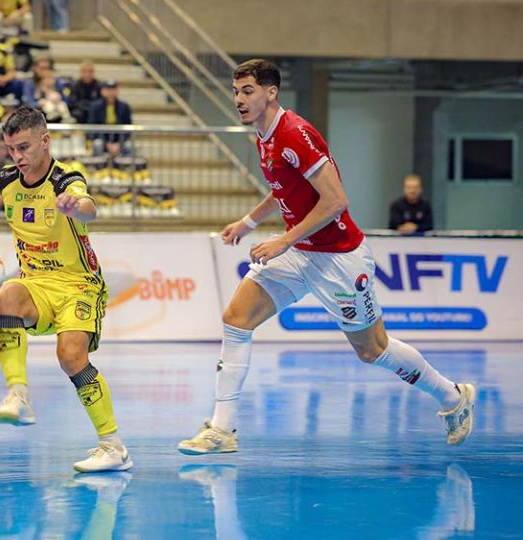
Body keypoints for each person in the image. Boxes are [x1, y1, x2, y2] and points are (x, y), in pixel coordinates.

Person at [177, 59, 474, 455]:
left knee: (373, 350)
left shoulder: (295, 133)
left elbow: (336, 201)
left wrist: (284, 241)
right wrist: (248, 222)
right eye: (236, 92)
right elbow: (282, 189)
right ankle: (222, 430)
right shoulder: (264, 136)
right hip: (301, 252)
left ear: (271, 92)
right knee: (236, 319)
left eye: (247, 91)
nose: (239, 100)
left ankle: (453, 396)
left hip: (338, 257)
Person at [0, 106, 130, 473]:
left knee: (70, 357)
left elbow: (88, 207)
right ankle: (18, 394)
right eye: (11, 149)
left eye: (24, 147)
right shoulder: (6, 181)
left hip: (79, 285)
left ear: (45, 140)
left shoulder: (65, 179)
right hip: (36, 285)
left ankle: (113, 447)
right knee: (5, 295)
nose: (17, 156)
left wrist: (76, 207)